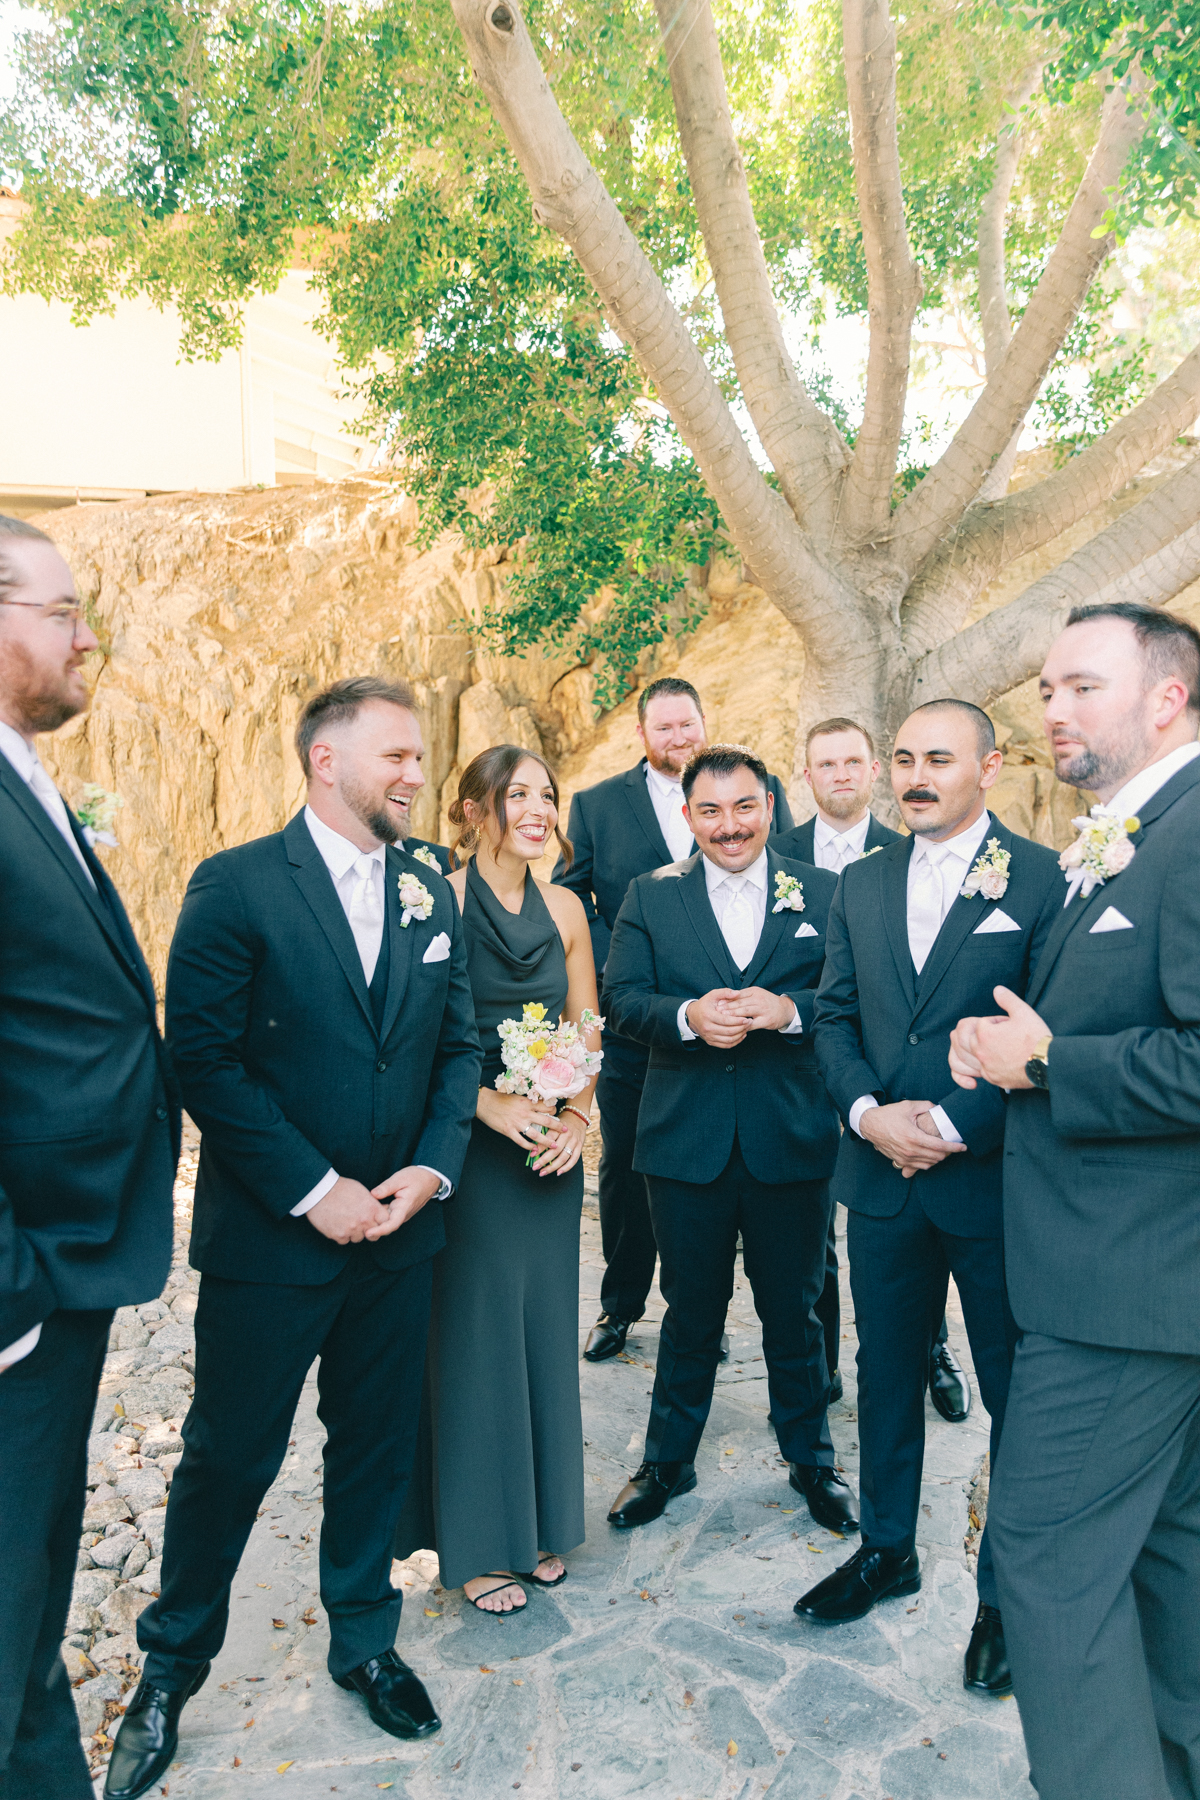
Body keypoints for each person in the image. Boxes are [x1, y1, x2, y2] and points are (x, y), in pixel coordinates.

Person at [105, 676, 481, 1800]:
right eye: (399, 757)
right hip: (276, 1244)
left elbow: (454, 1046)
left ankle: (364, 1638)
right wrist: (315, 1190)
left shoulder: (429, 889)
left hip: (401, 1239)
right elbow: (202, 1062)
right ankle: (171, 1667)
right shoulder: (235, 887)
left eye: (418, 759)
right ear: (327, 760)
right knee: (229, 1458)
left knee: (371, 1449)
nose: (417, 775)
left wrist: (432, 1163)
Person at [949, 604, 1200, 1799]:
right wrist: (1012, 1048)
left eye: (1083, 687)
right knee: (1168, 1563)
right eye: (1046, 688)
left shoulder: (1195, 832)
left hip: (1126, 1292)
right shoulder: (1128, 832)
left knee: (1043, 1563)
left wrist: (1047, 1066)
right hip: (1126, 1286)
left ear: (1167, 698)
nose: (1053, 709)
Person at [802, 700, 1061, 1696]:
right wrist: (870, 1115)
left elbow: (1049, 1029)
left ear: (988, 766)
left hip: (992, 1183)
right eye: (903, 758)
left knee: (1011, 1391)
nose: (915, 775)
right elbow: (832, 1015)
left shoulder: (1041, 880)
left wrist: (949, 1128)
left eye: (937, 758)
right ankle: (886, 1548)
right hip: (879, 1177)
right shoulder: (860, 881)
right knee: (884, 1370)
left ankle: (1004, 1598)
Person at [0, 517, 179, 1800]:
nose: (88, 636)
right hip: (22, 1283)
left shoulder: (27, 779)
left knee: (28, 1603)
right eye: (64, 612)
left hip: (63, 1267)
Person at [601, 744, 855, 1534]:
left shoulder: (825, 890)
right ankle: (666, 1461)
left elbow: (846, 997)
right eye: (709, 811)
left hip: (791, 1136)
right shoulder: (652, 895)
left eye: (743, 807)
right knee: (690, 1310)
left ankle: (812, 1460)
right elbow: (622, 1000)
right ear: (688, 817)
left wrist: (790, 1012)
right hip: (686, 1143)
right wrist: (686, 1017)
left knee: (796, 1310)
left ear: (770, 807)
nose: (728, 825)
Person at [395, 745, 598, 1615]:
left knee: (544, 1329)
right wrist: (489, 1107)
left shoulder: (567, 908)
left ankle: (542, 1522)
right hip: (472, 1149)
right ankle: (480, 1545)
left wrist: (578, 1120)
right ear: (476, 808)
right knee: (476, 1338)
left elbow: (585, 1027)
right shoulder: (435, 900)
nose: (538, 808)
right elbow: (413, 1039)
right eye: (518, 794)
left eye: (547, 795)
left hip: (546, 1149)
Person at [553, 677, 793, 1364]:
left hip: (745, 1031)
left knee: (717, 1184)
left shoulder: (748, 793)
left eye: (688, 724)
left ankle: (699, 1319)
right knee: (629, 1177)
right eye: (664, 728)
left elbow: (784, 877)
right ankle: (620, 1305)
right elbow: (575, 897)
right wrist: (628, 962)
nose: (678, 737)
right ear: (643, 735)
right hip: (639, 1030)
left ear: (703, 723)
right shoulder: (597, 804)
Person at [778, 717, 970, 1422]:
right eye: (824, 764)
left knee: (920, 1225)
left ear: (871, 771)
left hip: (895, 1079)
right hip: (801, 1073)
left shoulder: (913, 848)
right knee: (820, 1237)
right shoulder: (774, 854)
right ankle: (823, 1359)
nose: (840, 775)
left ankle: (935, 1349)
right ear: (807, 775)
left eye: (853, 761)